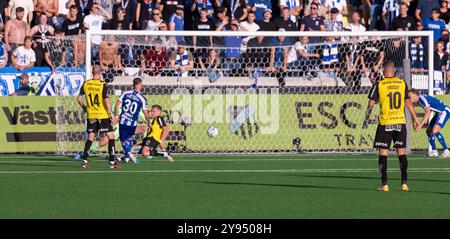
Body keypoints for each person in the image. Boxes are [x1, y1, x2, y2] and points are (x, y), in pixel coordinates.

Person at [366, 61, 419, 192]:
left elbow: (371, 103)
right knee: (401, 152)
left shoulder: (379, 84)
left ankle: (384, 184)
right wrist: (415, 118)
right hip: (400, 122)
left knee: (383, 153)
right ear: (394, 71)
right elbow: (407, 101)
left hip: (385, 122)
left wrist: (379, 100)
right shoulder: (402, 83)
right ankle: (404, 183)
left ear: (384, 72)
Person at [77, 65, 121, 169]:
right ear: (100, 72)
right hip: (102, 115)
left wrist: (84, 108)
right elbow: (106, 101)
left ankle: (84, 161)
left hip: (91, 115)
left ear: (92, 72)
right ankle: (111, 162)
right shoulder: (102, 85)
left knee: (91, 137)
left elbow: (79, 99)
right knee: (111, 137)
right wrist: (111, 115)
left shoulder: (86, 84)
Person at [114, 77, 151, 163]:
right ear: (138, 85)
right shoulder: (142, 98)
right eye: (141, 85)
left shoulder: (126, 93)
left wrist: (116, 116)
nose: (141, 86)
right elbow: (146, 113)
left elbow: (116, 105)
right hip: (133, 123)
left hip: (123, 121)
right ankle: (127, 157)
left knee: (123, 140)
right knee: (129, 139)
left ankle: (128, 153)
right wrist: (149, 122)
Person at [409, 89, 450, 158]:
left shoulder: (421, 99)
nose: (409, 98)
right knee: (429, 131)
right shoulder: (421, 100)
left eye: (410, 96)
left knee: (435, 130)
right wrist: (426, 120)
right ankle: (434, 151)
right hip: (439, 112)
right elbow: (429, 109)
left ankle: (446, 151)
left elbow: (427, 111)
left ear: (415, 94)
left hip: (444, 111)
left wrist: (420, 125)